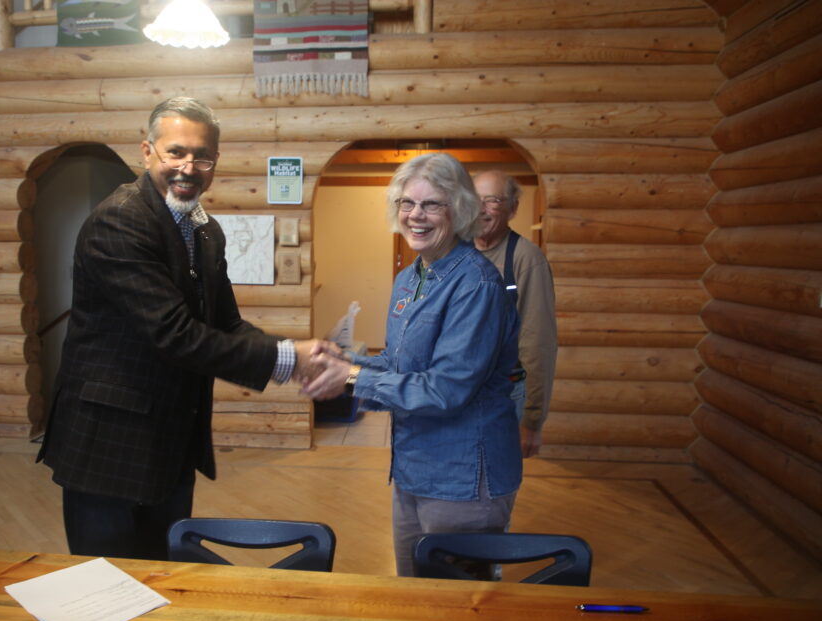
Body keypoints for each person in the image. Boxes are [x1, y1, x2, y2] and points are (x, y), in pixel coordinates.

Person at [38, 97, 327, 560]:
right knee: (110, 581)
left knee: (166, 572)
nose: (188, 168)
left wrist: (291, 351)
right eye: (176, 152)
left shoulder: (205, 229)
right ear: (147, 152)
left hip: (171, 440)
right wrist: (289, 360)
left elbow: (226, 323)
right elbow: (174, 334)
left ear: (216, 161)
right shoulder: (120, 220)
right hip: (109, 444)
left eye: (202, 156)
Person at [302, 153, 522, 577]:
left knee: (456, 603)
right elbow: (398, 362)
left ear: (459, 210)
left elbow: (445, 389)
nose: (415, 215)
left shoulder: (477, 284)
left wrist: (352, 377)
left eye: (431, 204)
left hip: (463, 477)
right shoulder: (411, 277)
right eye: (407, 203)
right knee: (413, 591)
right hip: (412, 470)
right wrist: (341, 360)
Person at [473, 171, 557, 459]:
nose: (481, 208)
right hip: (458, 393)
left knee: (494, 476)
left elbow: (537, 343)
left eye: (492, 200)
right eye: (475, 199)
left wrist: (532, 420)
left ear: (512, 208)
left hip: (504, 395)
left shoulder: (526, 260)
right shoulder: (454, 253)